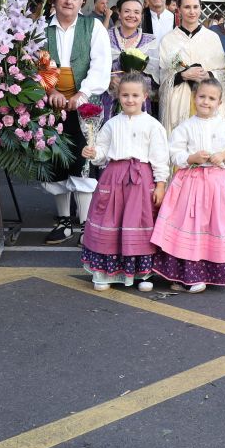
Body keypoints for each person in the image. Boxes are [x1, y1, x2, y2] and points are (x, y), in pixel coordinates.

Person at [38, 0, 113, 245]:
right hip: (51, 103)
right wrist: (51, 91)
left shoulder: (93, 27)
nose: (68, 1)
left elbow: (101, 65)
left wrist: (81, 94)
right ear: (54, 0)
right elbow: (32, 65)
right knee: (55, 159)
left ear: (82, 0)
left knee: (83, 160)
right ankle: (63, 221)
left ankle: (85, 225)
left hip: (85, 104)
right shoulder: (40, 29)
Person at [151, 78, 225, 292]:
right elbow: (174, 153)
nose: (206, 102)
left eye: (211, 98)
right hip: (190, 185)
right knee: (189, 226)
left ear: (220, 103)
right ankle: (188, 275)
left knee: (217, 225)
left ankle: (221, 271)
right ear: (194, 99)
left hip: (217, 186)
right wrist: (191, 157)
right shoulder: (185, 127)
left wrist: (224, 155)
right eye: (202, 97)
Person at [79, 72, 169, 290]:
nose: (130, 100)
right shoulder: (111, 123)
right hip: (113, 177)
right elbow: (102, 153)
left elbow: (160, 157)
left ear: (145, 97)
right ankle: (106, 272)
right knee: (110, 221)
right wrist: (92, 152)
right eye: (125, 95)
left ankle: (141, 274)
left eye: (135, 95)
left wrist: (160, 184)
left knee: (139, 224)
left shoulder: (153, 125)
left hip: (141, 179)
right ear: (118, 97)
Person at [158, 0, 225, 135]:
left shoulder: (212, 38)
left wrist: (207, 74)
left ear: (201, 8)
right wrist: (183, 75)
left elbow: (224, 72)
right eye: (187, 7)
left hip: (208, 98)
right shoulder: (168, 39)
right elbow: (163, 76)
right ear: (178, 9)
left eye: (196, 7)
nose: (192, 11)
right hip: (179, 103)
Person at [101, 0, 161, 120]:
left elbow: (155, 77)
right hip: (109, 99)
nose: (131, 15)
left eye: (136, 12)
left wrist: (135, 83)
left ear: (141, 16)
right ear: (119, 14)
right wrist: (109, 79)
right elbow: (94, 66)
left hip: (138, 102)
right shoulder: (104, 36)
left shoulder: (150, 41)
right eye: (127, 11)